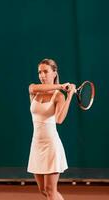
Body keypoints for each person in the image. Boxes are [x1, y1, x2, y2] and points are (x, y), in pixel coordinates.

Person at [27, 58, 75, 200]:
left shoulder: (59, 96)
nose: (42, 75)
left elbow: (59, 119)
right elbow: (33, 88)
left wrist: (70, 95)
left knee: (50, 190)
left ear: (54, 73)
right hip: (36, 145)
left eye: (46, 71)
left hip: (51, 146)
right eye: (39, 72)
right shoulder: (34, 89)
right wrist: (60, 86)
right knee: (43, 190)